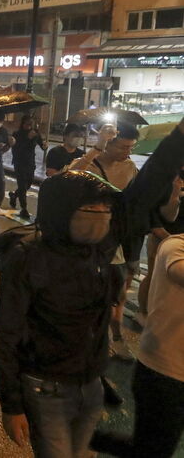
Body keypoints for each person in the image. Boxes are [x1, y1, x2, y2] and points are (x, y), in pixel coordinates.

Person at [0, 171, 121, 458]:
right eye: (91, 209)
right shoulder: (26, 258)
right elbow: (5, 334)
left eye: (106, 210)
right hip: (46, 387)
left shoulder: (97, 251)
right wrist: (11, 405)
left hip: (91, 383)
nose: (102, 216)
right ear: (62, 212)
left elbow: (144, 201)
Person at [68, 123, 140, 361]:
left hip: (114, 237)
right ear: (108, 143)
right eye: (124, 147)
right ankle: (82, 344)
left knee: (117, 291)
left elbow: (141, 195)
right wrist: (96, 147)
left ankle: (116, 338)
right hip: (86, 236)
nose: (128, 152)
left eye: (132, 147)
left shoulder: (130, 167)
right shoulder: (90, 164)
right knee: (83, 293)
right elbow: (66, 178)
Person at [133, 233, 184, 457]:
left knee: (154, 446)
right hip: (162, 374)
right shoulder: (175, 246)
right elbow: (178, 270)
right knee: (154, 449)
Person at [137, 171, 183, 324]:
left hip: (179, 237)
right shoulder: (168, 176)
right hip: (162, 236)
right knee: (153, 276)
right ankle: (142, 312)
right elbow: (154, 212)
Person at [9, 116, 47, 220]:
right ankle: (24, 208)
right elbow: (16, 149)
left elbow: (41, 145)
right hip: (19, 162)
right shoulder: (17, 134)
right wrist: (27, 138)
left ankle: (14, 195)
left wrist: (44, 146)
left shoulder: (35, 133)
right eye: (27, 124)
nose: (29, 126)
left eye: (31, 124)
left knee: (28, 183)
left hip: (30, 163)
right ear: (22, 124)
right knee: (22, 186)